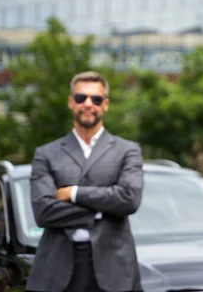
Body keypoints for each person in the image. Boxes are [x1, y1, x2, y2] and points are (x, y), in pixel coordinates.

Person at [27, 71, 144, 292]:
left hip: (114, 271)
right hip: (58, 271)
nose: (88, 104)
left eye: (96, 99)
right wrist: (101, 211)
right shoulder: (46, 154)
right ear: (71, 103)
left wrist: (73, 194)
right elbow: (43, 211)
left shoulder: (127, 151)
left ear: (106, 105)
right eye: (81, 98)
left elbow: (129, 199)